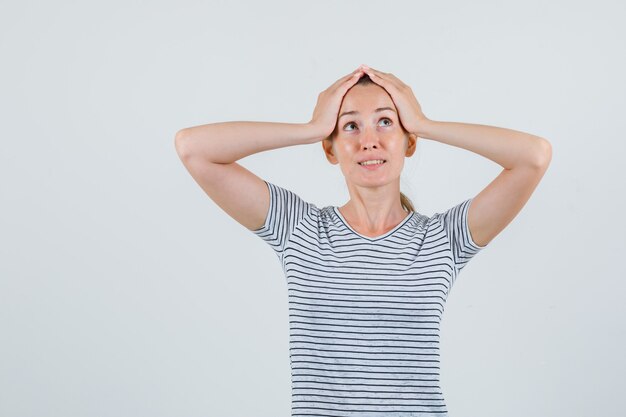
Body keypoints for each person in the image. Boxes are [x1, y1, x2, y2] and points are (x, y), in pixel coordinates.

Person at [174, 64, 552, 416]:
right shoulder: (299, 229)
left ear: (410, 142)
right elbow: (194, 148)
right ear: (330, 147)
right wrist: (309, 128)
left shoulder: (442, 239)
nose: (369, 141)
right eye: (350, 127)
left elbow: (533, 157)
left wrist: (423, 122)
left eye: (386, 122)